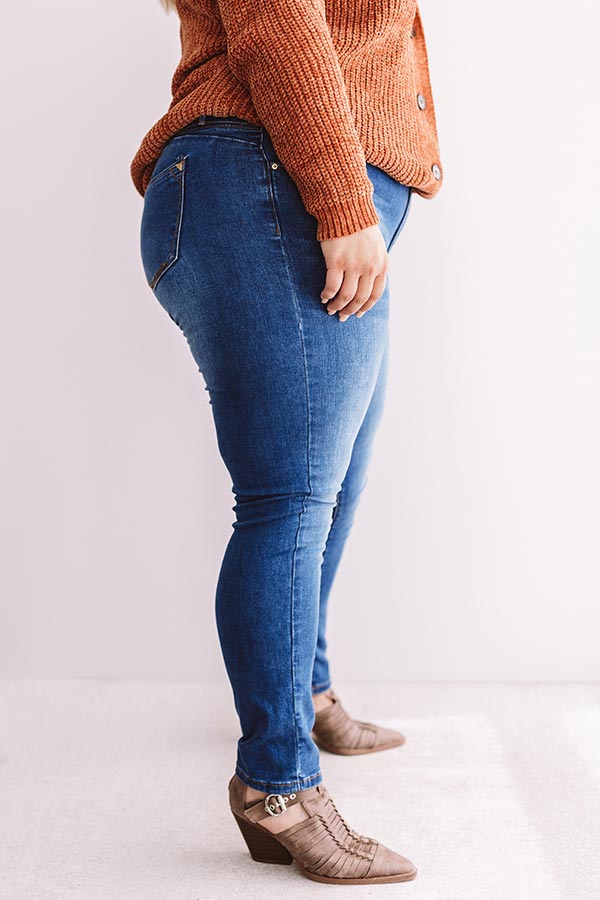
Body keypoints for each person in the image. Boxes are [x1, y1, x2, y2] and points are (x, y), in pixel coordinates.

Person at [131, 0, 443, 885]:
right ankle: (278, 786)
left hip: (280, 183)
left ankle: (305, 692)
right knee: (289, 499)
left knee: (336, 481)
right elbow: (279, 20)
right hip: (271, 182)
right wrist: (343, 201)